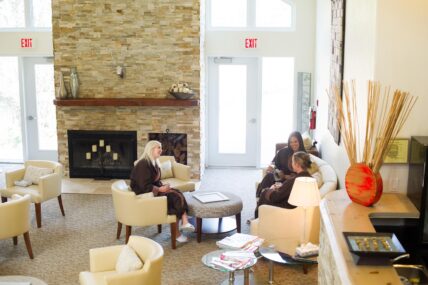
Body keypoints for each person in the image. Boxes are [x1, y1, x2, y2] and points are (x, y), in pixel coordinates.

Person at [130, 140, 195, 243]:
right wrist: (160, 189)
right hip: (144, 194)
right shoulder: (143, 163)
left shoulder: (154, 162)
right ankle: (177, 232)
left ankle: (184, 220)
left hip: (152, 190)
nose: (161, 150)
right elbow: (143, 186)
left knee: (177, 192)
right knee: (175, 198)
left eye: (161, 147)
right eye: (158, 147)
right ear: (150, 149)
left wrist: (162, 186)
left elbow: (154, 181)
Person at [255, 151, 313, 218]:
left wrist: (270, 189)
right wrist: (282, 188)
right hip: (294, 205)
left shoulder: (294, 180)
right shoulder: (311, 178)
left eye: (292, 162)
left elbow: (276, 197)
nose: (291, 164)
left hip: (286, 208)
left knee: (264, 192)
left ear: (297, 164)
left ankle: (258, 219)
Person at [256, 131, 306, 197]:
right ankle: (261, 195)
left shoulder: (304, 155)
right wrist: (271, 168)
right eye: (291, 142)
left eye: (295, 141)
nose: (293, 144)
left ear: (300, 141)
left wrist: (285, 176)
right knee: (269, 176)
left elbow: (304, 174)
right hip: (279, 177)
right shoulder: (283, 151)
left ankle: (266, 195)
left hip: (291, 182)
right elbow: (273, 163)